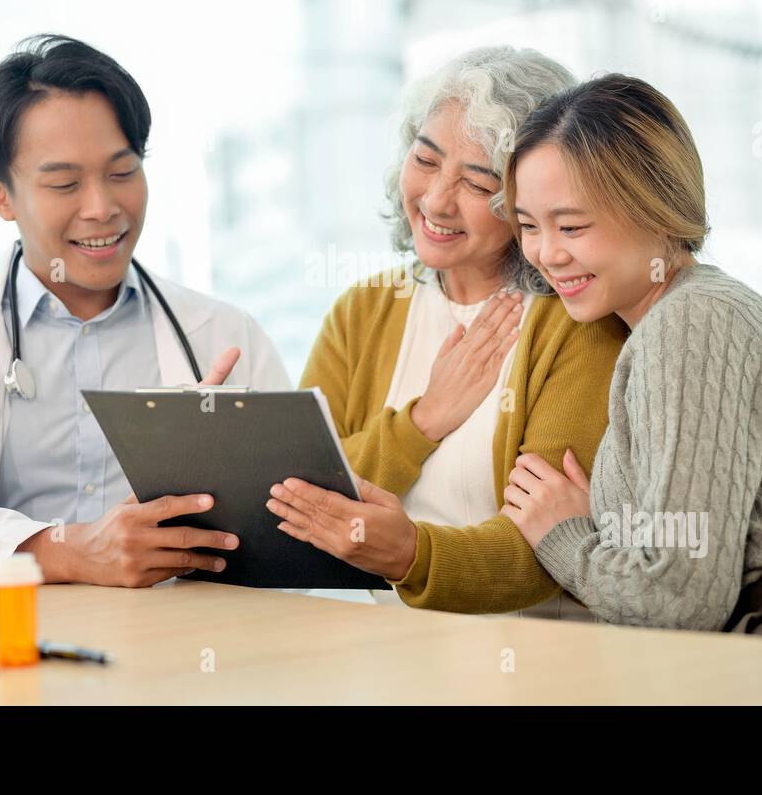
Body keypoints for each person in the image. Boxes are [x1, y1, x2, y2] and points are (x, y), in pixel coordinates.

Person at [0, 34, 290, 597]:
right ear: (1, 196)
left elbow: (291, 534)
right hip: (4, 658)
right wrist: (71, 552)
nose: (102, 208)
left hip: (178, 662)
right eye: (64, 183)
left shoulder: (225, 335)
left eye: (122, 172)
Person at [499, 73, 762, 647]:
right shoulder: (666, 320)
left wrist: (566, 537)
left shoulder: (693, 319)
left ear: (653, 209)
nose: (546, 253)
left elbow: (678, 599)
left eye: (572, 226)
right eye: (529, 226)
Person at [266, 47, 627, 617]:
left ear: (531, 200)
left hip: (525, 660)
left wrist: (411, 555)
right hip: (369, 650)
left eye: (479, 183)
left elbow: (543, 550)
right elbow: (290, 500)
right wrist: (422, 421)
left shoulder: (577, 323)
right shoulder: (362, 311)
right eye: (426, 160)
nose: (436, 199)